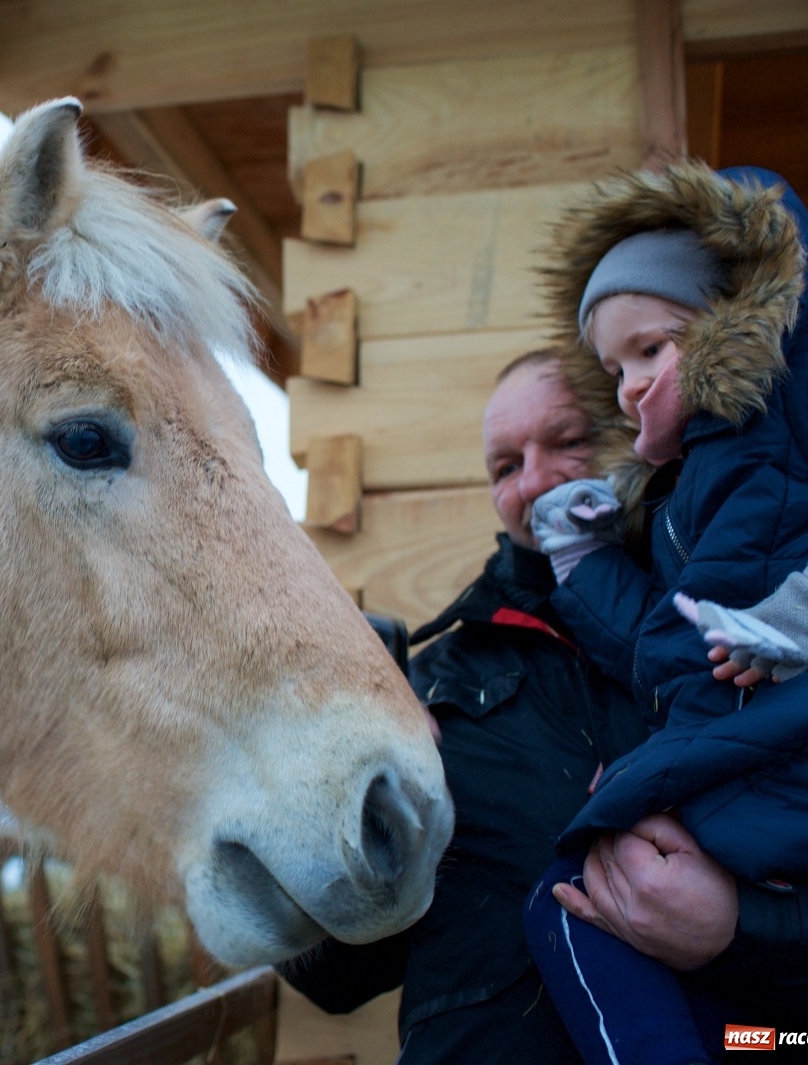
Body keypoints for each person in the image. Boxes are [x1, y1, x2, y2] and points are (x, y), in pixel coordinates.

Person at [523, 162, 808, 1062]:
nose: (628, 385)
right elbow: (664, 645)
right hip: (748, 773)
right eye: (612, 369)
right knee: (752, 1024)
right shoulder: (684, 496)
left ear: (733, 314)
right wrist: (582, 557)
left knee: (579, 895)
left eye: (652, 348)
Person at [275, 350, 653, 1063]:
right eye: (505, 466)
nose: (534, 481)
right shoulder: (427, 687)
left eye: (568, 440)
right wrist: (309, 799)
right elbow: (339, 976)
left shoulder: (726, 646)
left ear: (636, 426)